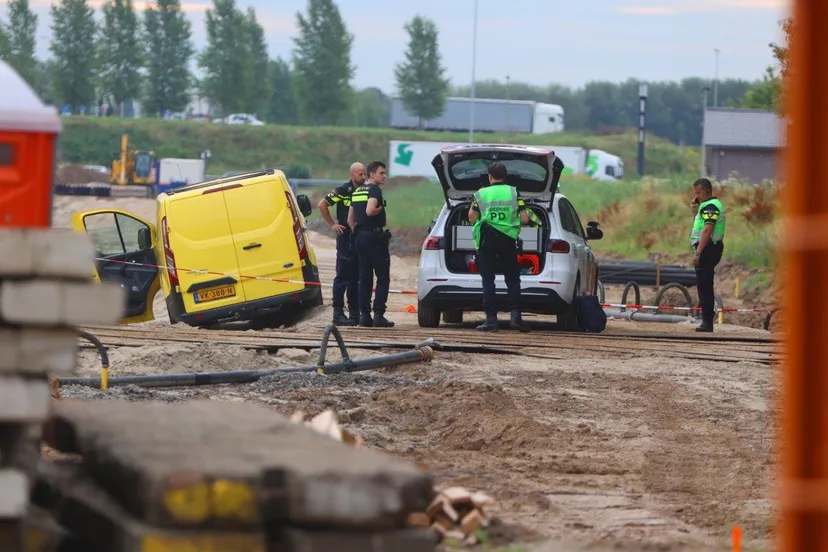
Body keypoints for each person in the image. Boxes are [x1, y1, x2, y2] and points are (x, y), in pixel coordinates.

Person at [468, 162, 532, 333]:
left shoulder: (481, 193)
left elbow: (472, 218)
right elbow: (525, 219)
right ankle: (516, 317)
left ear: (490, 176)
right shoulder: (513, 192)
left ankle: (491, 320)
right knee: (512, 279)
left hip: (486, 239)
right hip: (508, 239)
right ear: (505, 176)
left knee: (488, 279)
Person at [317, 162, 366, 326]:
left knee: (356, 278)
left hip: (359, 237)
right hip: (345, 237)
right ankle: (338, 313)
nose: (363, 177)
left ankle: (354, 312)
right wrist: (332, 224)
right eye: (360, 174)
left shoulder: (366, 190)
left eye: (365, 173)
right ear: (351, 175)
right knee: (343, 276)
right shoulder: (343, 191)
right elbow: (322, 204)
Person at [348, 161, 394, 328]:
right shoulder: (375, 190)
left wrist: (358, 232)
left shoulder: (357, 191)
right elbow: (370, 210)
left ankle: (364, 316)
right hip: (374, 238)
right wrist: (379, 209)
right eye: (382, 173)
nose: (384, 176)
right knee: (382, 278)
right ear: (372, 174)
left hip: (360, 238)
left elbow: (349, 219)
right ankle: (379, 315)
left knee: (364, 278)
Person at [690, 177, 726, 333]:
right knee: (704, 285)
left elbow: (707, 230)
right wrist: (696, 209)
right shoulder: (705, 205)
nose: (696, 196)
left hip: (708, 249)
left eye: (699, 192)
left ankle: (706, 321)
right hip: (708, 248)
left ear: (707, 190)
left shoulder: (710, 206)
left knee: (704, 286)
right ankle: (706, 321)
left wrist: (698, 253)